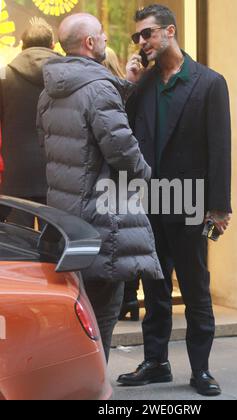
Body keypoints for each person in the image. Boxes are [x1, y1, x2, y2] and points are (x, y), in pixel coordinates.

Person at [117, 4, 232, 396]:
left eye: (146, 34)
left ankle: (200, 369)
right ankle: (156, 362)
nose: (141, 42)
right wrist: (130, 82)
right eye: (137, 37)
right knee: (154, 287)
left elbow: (220, 147)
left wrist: (219, 206)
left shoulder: (209, 82)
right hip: (150, 202)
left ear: (169, 31)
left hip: (190, 202)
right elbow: (126, 133)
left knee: (196, 287)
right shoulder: (145, 84)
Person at [36, 13, 163, 362]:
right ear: (90, 43)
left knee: (76, 316)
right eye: (101, 34)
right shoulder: (99, 88)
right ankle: (95, 391)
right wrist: (146, 176)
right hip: (102, 222)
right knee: (103, 315)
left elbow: (47, 148)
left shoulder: (49, 92)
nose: (107, 38)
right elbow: (122, 150)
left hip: (65, 221)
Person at [0, 18, 59, 226]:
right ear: (52, 45)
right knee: (55, 244)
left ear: (22, 45)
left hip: (16, 174)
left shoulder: (4, 75)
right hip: (58, 173)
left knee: (20, 246)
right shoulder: (66, 75)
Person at [103, 46, 140, 322]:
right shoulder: (126, 89)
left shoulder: (109, 92)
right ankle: (130, 298)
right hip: (128, 179)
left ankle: (124, 299)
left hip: (115, 178)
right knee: (129, 238)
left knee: (117, 239)